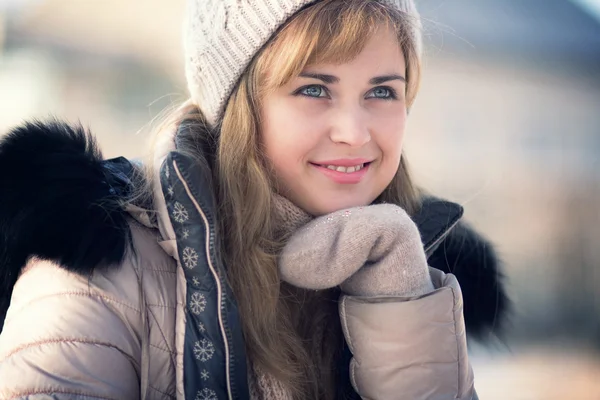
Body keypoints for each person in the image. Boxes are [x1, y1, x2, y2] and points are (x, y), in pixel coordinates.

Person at [0, 0, 509, 399]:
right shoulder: (95, 259)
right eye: (313, 89)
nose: (355, 132)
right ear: (239, 107)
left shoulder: (424, 281)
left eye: (381, 92)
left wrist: (397, 303)